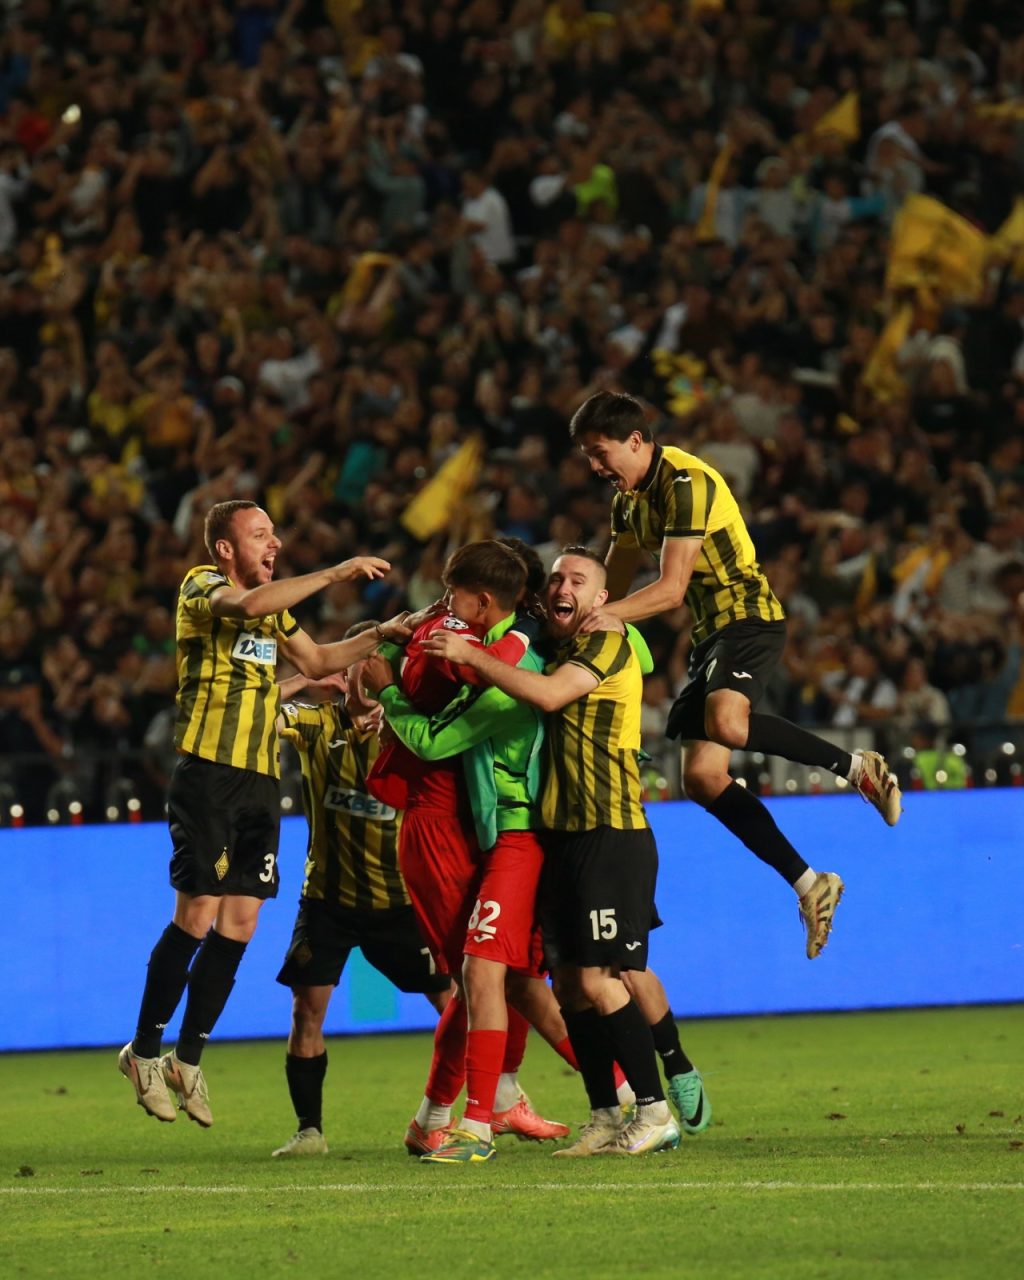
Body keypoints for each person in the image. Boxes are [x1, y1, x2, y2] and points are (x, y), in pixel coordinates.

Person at [568, 390, 903, 959]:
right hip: (710, 636)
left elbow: (671, 590)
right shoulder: (627, 502)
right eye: (588, 457)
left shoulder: (685, 484)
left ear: (635, 441)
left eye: (601, 453)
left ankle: (856, 767)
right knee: (702, 777)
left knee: (727, 720)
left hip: (748, 615)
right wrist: (576, 616)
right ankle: (810, 884)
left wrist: (604, 617)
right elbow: (614, 583)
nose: (596, 467)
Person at [118, 499, 407, 1128]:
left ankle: (186, 1060)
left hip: (258, 781)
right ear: (225, 548)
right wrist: (336, 572)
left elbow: (320, 660)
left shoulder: (273, 611)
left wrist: (384, 633)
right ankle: (142, 1052)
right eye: (260, 535)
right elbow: (246, 607)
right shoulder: (203, 586)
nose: (274, 543)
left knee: (241, 923)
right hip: (208, 775)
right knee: (197, 915)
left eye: (275, 533)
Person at [423, 547, 687, 1157]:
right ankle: (604, 1115)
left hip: (609, 830)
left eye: (579, 580)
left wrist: (470, 655)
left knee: (600, 979)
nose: (563, 586)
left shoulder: (607, 643)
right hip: (562, 837)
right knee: (568, 985)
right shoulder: (558, 643)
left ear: (601, 599)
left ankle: (653, 1111)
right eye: (558, 577)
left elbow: (546, 696)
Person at [365, 541, 578, 1158]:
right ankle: (608, 1093)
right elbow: (377, 678)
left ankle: (596, 1093)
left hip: (474, 826)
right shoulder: (454, 637)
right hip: (447, 823)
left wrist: (386, 679)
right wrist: (385, 656)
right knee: (488, 975)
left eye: (453, 594)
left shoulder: (485, 650)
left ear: (488, 602)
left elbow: (436, 713)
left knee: (503, 975)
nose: (443, 602)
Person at [270, 624, 453, 1159]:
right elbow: (252, 713)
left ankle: (489, 1102)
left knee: (455, 1001)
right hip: (327, 902)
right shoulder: (315, 723)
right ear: (344, 670)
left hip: (401, 902)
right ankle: (309, 1131)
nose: (370, 675)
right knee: (306, 1011)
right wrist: (302, 679)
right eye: (360, 664)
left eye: (379, 665)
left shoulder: (410, 729)